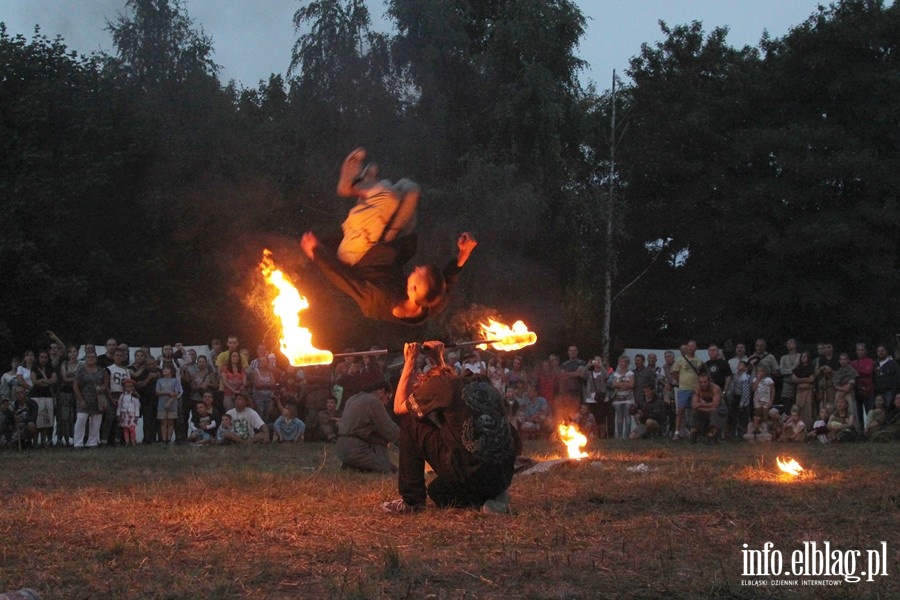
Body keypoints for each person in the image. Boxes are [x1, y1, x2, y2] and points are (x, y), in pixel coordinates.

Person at [382, 341, 519, 515]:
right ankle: (488, 500)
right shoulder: (480, 381)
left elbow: (399, 407)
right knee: (438, 492)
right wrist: (439, 358)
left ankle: (412, 501)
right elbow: (447, 380)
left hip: (471, 474)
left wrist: (410, 360)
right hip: (501, 476)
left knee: (410, 419)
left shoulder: (437, 385)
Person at [301, 230, 477, 326]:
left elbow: (343, 279)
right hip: (389, 267)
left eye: (418, 272)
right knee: (407, 238)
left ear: (413, 289)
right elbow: (448, 280)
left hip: (364, 265)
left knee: (369, 238)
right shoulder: (433, 302)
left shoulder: (376, 297)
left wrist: (316, 252)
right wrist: (464, 254)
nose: (415, 268)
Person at [334, 146, 422, 266]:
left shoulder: (353, 270)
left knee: (388, 195)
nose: (417, 270)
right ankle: (366, 185)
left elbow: (336, 272)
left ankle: (354, 187)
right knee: (411, 189)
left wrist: (317, 251)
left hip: (357, 249)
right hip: (382, 239)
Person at [336, 380, 399, 472]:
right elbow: (389, 429)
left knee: (391, 467)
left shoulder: (352, 398)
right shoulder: (373, 401)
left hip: (341, 447)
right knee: (385, 468)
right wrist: (407, 441)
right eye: (388, 398)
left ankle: (353, 465)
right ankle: (356, 466)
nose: (386, 403)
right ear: (381, 391)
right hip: (355, 448)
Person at [671, 341, 704, 440]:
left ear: (696, 348)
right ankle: (677, 432)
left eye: (692, 346)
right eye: (688, 346)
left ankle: (693, 432)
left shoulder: (699, 361)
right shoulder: (680, 360)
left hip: (695, 390)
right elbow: (675, 373)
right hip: (683, 389)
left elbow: (702, 375)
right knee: (680, 411)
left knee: (694, 411)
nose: (690, 348)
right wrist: (680, 381)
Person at [73, 351, 106, 449]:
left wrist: (103, 387)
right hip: (84, 398)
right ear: (85, 359)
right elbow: (75, 386)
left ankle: (92, 442)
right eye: (88, 357)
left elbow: (105, 381)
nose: (90, 358)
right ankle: (78, 443)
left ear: (96, 359)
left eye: (92, 357)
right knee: (81, 420)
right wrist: (81, 400)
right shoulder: (81, 370)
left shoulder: (101, 370)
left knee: (96, 422)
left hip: (97, 399)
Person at [30, 350, 57, 448]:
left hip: (47, 396)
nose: (44, 359)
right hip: (36, 396)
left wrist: (42, 380)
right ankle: (36, 442)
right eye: (42, 357)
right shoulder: (34, 368)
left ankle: (43, 442)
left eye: (45, 357)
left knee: (46, 420)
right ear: (39, 358)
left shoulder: (51, 368)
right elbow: (34, 381)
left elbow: (54, 380)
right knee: (37, 420)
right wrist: (46, 381)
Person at [689, 373, 725, 443]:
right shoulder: (697, 389)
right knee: (694, 412)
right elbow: (694, 405)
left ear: (709, 381)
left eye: (705, 382)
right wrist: (707, 408)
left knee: (715, 412)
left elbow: (716, 404)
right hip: (707, 408)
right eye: (701, 382)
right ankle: (693, 433)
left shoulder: (715, 388)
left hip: (720, 409)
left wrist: (700, 405)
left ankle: (713, 435)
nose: (703, 384)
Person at [608, 356, 635, 439]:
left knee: (627, 415)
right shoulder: (616, 374)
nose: (623, 363)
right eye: (621, 361)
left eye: (624, 362)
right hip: (618, 398)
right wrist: (624, 384)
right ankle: (619, 436)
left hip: (628, 398)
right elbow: (613, 385)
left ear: (627, 363)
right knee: (619, 416)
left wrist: (620, 384)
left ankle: (626, 435)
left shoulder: (630, 373)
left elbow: (631, 384)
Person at [790, 351, 816, 435]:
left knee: (808, 410)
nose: (803, 358)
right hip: (799, 392)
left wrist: (800, 381)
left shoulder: (811, 368)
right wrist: (806, 379)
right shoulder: (797, 368)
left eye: (805, 356)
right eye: (802, 357)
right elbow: (794, 380)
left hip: (808, 392)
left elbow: (812, 379)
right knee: (798, 408)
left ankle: (808, 428)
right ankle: (798, 428)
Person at [156, 365, 182, 444]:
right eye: (164, 369)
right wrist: (167, 392)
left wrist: (170, 401)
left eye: (167, 368)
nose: (165, 370)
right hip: (161, 404)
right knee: (163, 422)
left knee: (171, 422)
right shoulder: (159, 381)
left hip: (172, 404)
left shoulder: (175, 381)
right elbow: (157, 391)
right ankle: (164, 439)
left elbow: (177, 392)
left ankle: (169, 439)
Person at [116, 379, 140, 446]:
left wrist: (136, 416)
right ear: (124, 387)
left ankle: (133, 441)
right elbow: (119, 406)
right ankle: (127, 442)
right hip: (124, 415)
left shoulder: (135, 396)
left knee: (132, 429)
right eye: (127, 386)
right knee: (125, 429)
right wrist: (118, 415)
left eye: (130, 387)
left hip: (132, 415)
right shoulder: (122, 396)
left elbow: (137, 407)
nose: (128, 388)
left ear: (133, 387)